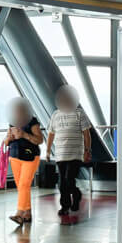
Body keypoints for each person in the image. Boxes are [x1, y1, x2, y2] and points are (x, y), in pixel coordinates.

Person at [45, 85, 92, 219]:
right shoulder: (55, 115)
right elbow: (51, 134)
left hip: (76, 153)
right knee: (62, 182)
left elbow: (86, 134)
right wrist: (48, 151)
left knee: (68, 179)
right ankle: (65, 206)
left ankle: (76, 196)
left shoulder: (79, 113)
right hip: (60, 154)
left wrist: (87, 151)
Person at [2, 98, 43, 225]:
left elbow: (39, 140)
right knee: (22, 187)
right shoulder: (12, 121)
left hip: (30, 157)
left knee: (24, 185)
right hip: (14, 156)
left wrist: (24, 135)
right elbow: (6, 142)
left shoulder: (33, 122)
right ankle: (27, 213)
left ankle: (19, 213)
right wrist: (8, 138)